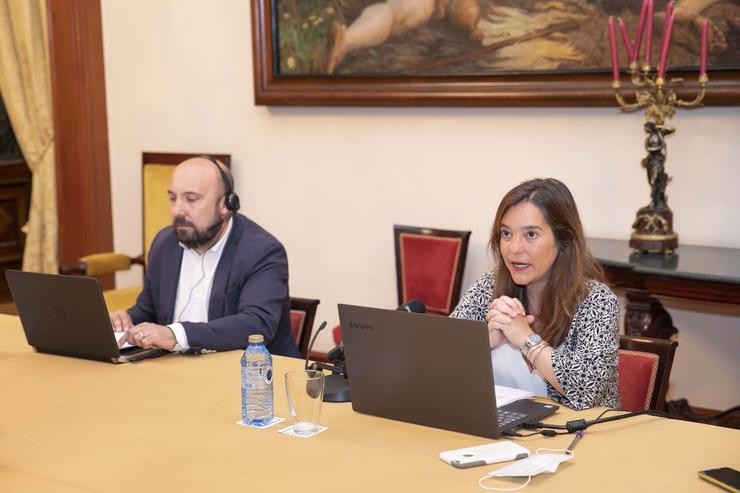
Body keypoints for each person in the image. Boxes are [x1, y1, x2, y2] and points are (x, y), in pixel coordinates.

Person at [450, 178, 620, 410]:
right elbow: (439, 360)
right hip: (498, 432)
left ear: (564, 240)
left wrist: (525, 339)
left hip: (576, 436)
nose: (514, 248)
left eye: (531, 235)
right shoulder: (489, 285)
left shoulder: (597, 301)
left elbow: (586, 391)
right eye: (506, 234)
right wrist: (484, 341)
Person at [109, 156, 300, 357]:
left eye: (191, 199)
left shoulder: (261, 251)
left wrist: (176, 335)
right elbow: (148, 311)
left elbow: (256, 325)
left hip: (249, 378)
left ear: (226, 205)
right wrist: (126, 320)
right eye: (173, 198)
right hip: (175, 373)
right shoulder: (164, 244)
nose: (177, 210)